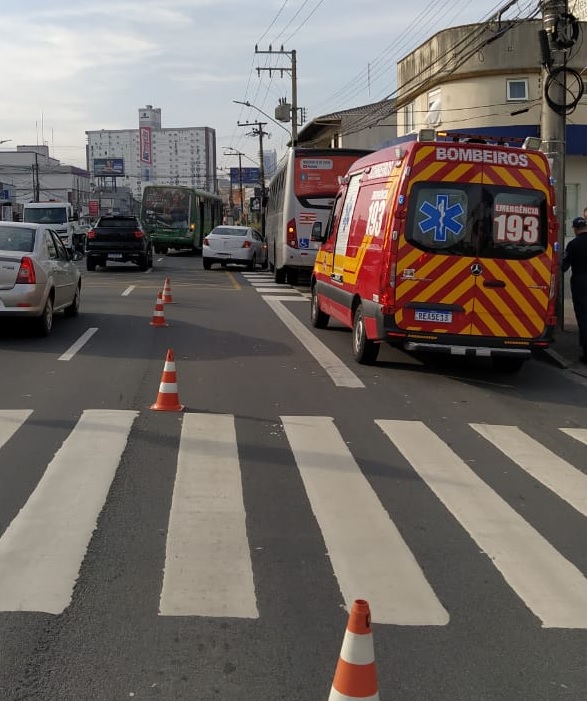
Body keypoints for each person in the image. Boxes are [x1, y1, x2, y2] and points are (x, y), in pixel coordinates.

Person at [562, 216, 587, 363]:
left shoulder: (573, 244)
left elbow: (564, 266)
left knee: (584, 318)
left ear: (575, 229)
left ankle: (586, 353)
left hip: (580, 282)